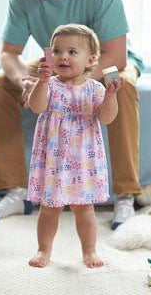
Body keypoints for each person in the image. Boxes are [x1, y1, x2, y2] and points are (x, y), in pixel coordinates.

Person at [0, 0, 143, 229]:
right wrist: (23, 80)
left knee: (120, 87)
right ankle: (16, 191)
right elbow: (9, 53)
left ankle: (125, 194)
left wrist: (77, 80)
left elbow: (117, 55)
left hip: (103, 60)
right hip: (57, 64)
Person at [27, 24, 124, 268]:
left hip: (83, 159)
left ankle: (89, 250)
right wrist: (42, 81)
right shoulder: (49, 85)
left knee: (84, 208)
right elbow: (36, 107)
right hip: (53, 159)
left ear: (90, 59)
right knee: (50, 208)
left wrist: (111, 95)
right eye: (57, 51)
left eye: (72, 52)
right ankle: (43, 249)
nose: (63, 57)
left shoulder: (95, 88)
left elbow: (106, 118)